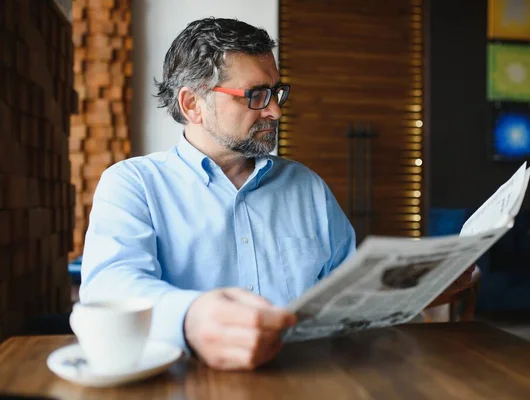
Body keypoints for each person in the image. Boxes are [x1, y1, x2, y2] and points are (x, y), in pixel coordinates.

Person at [79, 18, 356, 371]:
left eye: (277, 92)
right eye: (256, 95)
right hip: (183, 384)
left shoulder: (308, 187)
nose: (275, 111)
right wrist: (190, 318)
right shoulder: (133, 184)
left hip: (309, 379)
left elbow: (350, 289)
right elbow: (109, 287)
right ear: (193, 104)